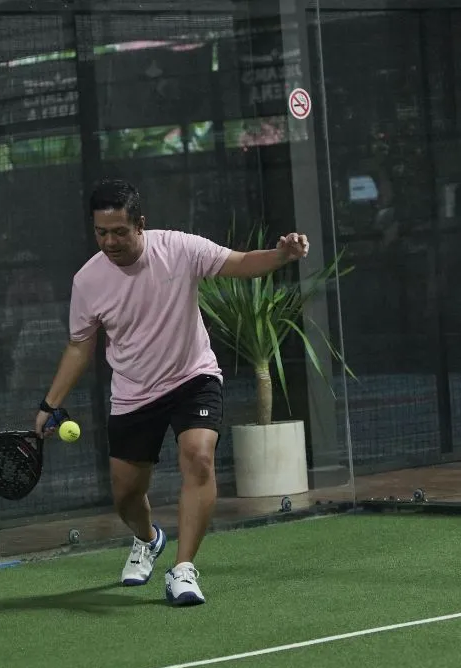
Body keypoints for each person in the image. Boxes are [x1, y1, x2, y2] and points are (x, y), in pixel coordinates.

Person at [35, 179, 309, 607]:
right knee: (126, 496)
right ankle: (148, 539)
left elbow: (240, 263)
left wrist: (281, 255)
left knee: (199, 457)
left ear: (140, 224)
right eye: (101, 232)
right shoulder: (87, 281)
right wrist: (49, 404)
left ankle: (183, 570)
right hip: (133, 393)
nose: (110, 242)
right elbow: (79, 346)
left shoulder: (179, 249)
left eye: (119, 232)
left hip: (192, 378)